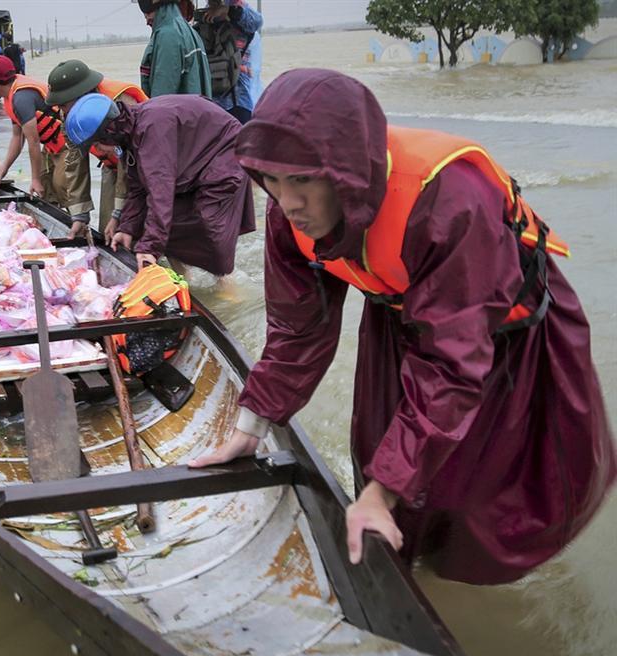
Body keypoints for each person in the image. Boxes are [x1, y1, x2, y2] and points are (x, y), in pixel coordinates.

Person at [191, 68, 616, 584]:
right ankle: (394, 548)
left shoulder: (448, 199)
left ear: (346, 172)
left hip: (504, 334)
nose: (288, 202)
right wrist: (251, 426)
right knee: (383, 459)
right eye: (272, 181)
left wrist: (383, 489)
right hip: (398, 317)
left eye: (303, 179)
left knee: (478, 501)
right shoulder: (289, 212)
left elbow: (453, 364)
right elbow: (298, 330)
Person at [65, 93, 255, 276]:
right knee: (166, 226)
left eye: (97, 143)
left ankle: (228, 287)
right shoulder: (129, 130)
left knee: (209, 228)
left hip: (226, 153)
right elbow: (138, 188)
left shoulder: (151, 131)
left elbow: (160, 193)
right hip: (195, 160)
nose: (97, 150)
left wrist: (149, 248)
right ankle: (184, 278)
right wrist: (127, 228)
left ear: (109, 132)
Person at [46, 60, 149, 238]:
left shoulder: (119, 104)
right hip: (111, 164)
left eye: (62, 104)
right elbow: (75, 159)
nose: (60, 110)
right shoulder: (71, 115)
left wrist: (119, 213)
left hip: (140, 164)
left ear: (79, 95)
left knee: (131, 226)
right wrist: (79, 213)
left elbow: (128, 160)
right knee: (107, 231)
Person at [0, 55, 93, 222]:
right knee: (45, 191)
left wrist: (34, 179)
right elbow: (17, 137)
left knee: (63, 186)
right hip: (50, 147)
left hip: (67, 143)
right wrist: (4, 166)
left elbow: (33, 142)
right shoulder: (11, 96)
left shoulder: (21, 98)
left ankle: (80, 231)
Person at [194, 0, 262, 123]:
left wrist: (228, 11)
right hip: (211, 100)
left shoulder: (241, 12)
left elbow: (256, 22)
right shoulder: (205, 16)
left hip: (238, 99)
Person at [138, 0, 211, 97]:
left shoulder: (168, 36)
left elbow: (162, 98)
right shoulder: (189, 31)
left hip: (176, 111)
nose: (146, 21)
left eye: (147, 13)